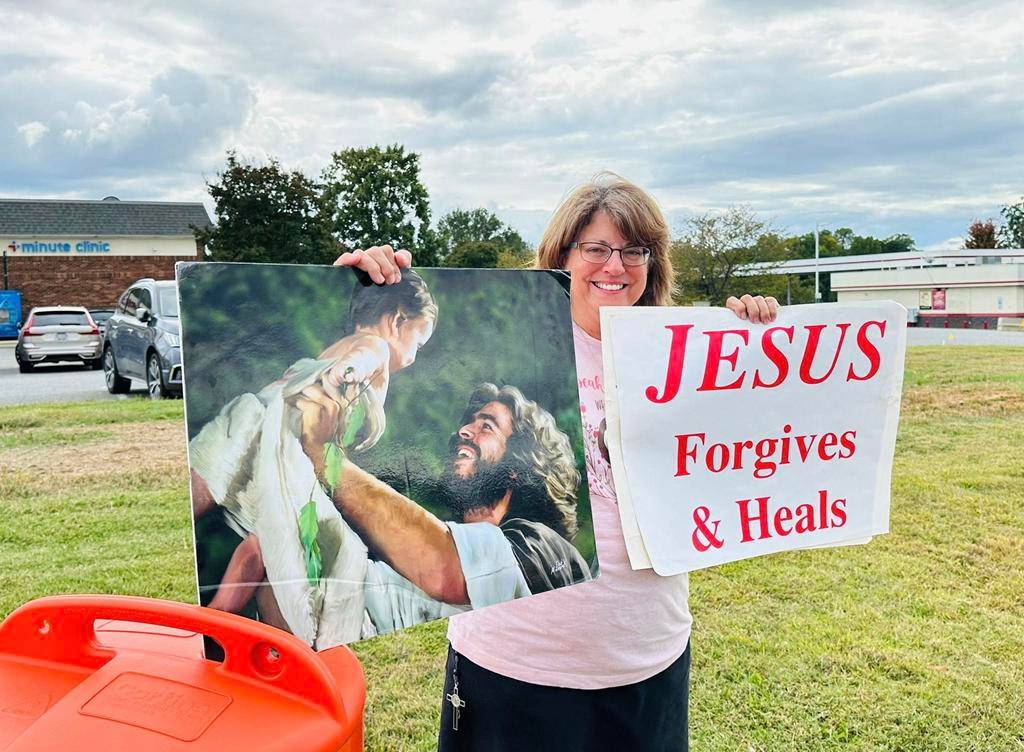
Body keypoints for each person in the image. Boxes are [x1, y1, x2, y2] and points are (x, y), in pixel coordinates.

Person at [336, 172, 779, 751]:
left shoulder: (687, 354)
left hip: (646, 659)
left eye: (633, 250)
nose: (614, 266)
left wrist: (759, 338)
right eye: (594, 248)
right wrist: (373, 290)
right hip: (511, 666)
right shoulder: (513, 350)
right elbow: (385, 356)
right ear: (562, 256)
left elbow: (749, 454)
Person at [188, 268, 437, 647]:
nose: (417, 357)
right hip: (282, 446)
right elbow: (362, 358)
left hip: (252, 415)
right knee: (279, 542)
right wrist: (346, 374)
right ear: (397, 321)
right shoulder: (375, 348)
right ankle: (221, 613)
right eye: (419, 342)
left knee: (244, 527)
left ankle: (217, 611)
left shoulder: (335, 345)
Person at [292, 381, 593, 636]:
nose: (464, 430)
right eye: (469, 422)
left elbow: (444, 571)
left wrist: (322, 453)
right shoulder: (418, 563)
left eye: (486, 426)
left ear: (518, 468)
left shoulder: (546, 550)